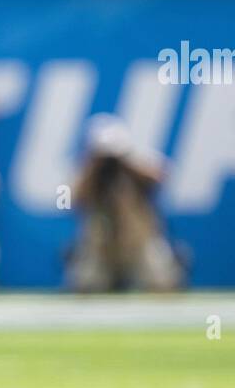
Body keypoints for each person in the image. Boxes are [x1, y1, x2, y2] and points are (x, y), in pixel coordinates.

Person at [67, 113, 182, 292]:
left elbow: (162, 176)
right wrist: (93, 168)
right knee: (86, 285)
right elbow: (70, 201)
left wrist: (127, 161)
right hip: (99, 242)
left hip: (140, 238)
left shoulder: (135, 165)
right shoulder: (87, 171)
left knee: (161, 284)